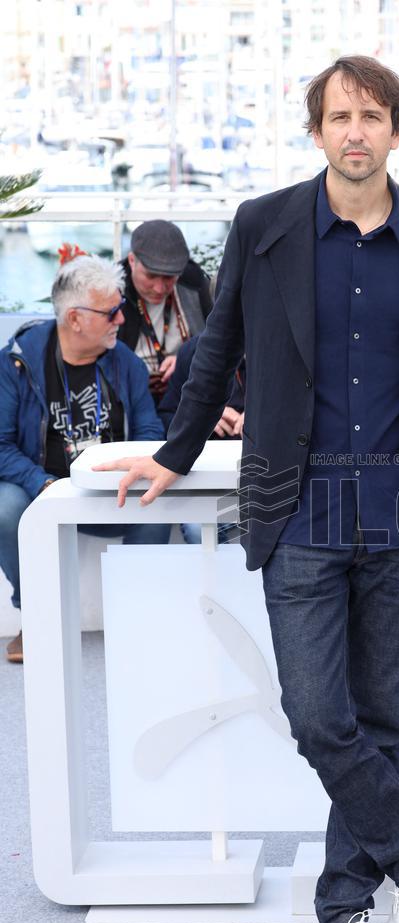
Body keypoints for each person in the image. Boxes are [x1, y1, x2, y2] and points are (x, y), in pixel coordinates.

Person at [95, 56, 399, 923]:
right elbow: (218, 346)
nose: (357, 131)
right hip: (297, 507)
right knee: (318, 714)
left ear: (397, 129)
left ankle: (344, 907)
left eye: (374, 115)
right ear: (316, 131)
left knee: (380, 716)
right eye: (340, 116)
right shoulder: (264, 226)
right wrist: (173, 451)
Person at [0, 255, 170, 664]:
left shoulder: (123, 362)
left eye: (120, 309)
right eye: (111, 312)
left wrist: (130, 469)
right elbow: (1, 445)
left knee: (158, 505)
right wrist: (42, 482)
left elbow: (149, 433)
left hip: (111, 489)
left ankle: (134, 616)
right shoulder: (17, 363)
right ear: (75, 319)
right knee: (5, 507)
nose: (120, 320)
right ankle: (35, 616)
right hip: (42, 488)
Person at [159, 335, 245, 544]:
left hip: (267, 475)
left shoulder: (283, 347)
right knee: (196, 527)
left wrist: (262, 417)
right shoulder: (195, 349)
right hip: (206, 477)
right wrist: (200, 419)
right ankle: (216, 578)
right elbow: (167, 414)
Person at [118, 220, 213, 399]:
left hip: (188, 392)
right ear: (132, 261)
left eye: (169, 277)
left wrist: (185, 362)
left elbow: (218, 343)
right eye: (151, 276)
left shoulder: (196, 284)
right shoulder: (112, 292)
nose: (160, 288)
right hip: (130, 396)